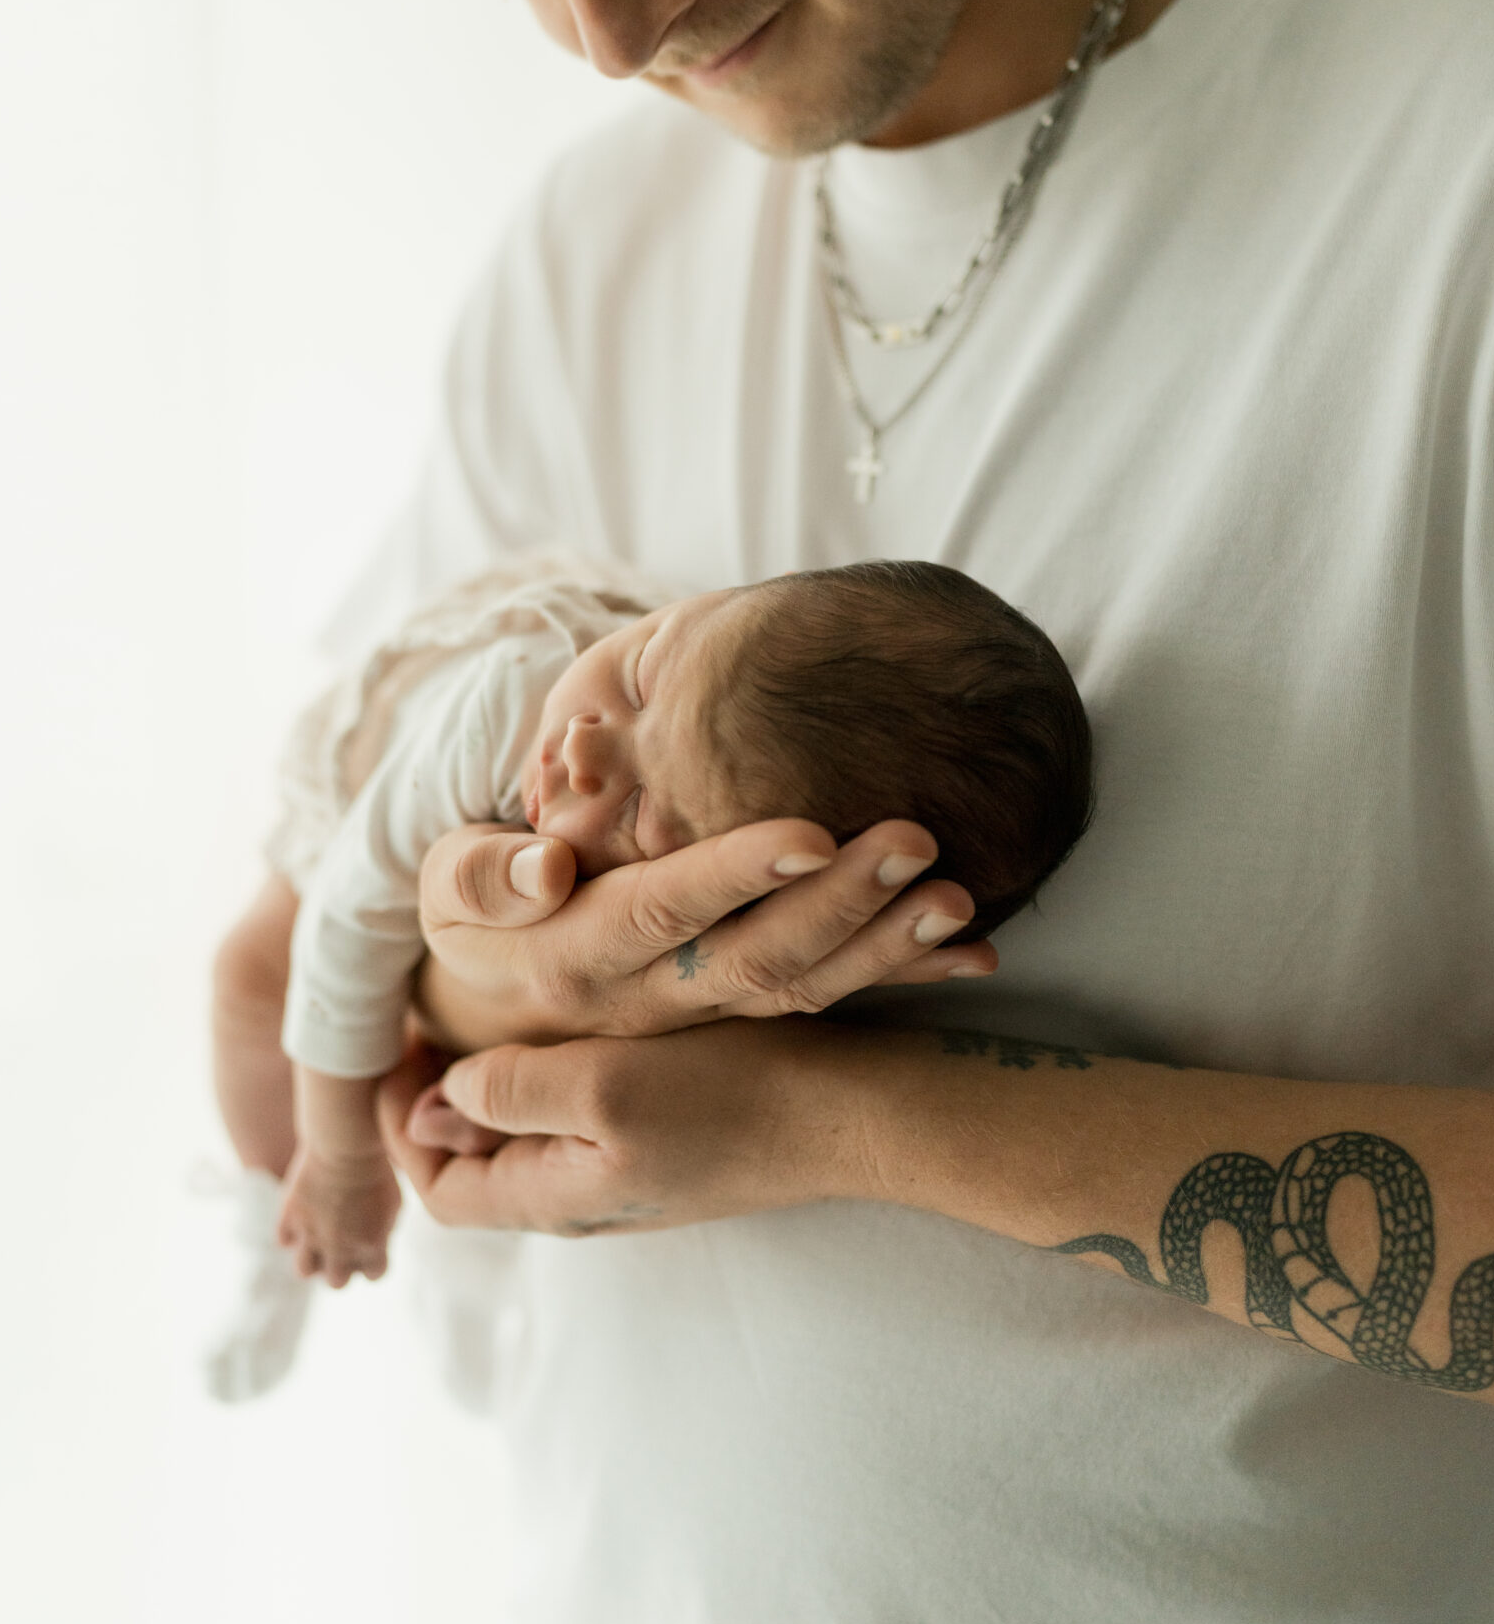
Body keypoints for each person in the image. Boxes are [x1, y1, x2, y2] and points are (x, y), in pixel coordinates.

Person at [164, 0, 1494, 1624]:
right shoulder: (589, 251)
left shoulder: (1477, 158)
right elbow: (288, 990)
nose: (605, 31)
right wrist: (501, 963)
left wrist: (836, 1116)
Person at [205, 553, 1088, 1398]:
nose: (581, 750)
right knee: (253, 983)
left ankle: (463, 1269)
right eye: (638, 679)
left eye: (637, 812)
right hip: (376, 790)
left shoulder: (745, 888)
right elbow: (348, 915)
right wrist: (342, 1155)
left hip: (550, 930)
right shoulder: (516, 699)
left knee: (533, 1071)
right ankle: (277, 1213)